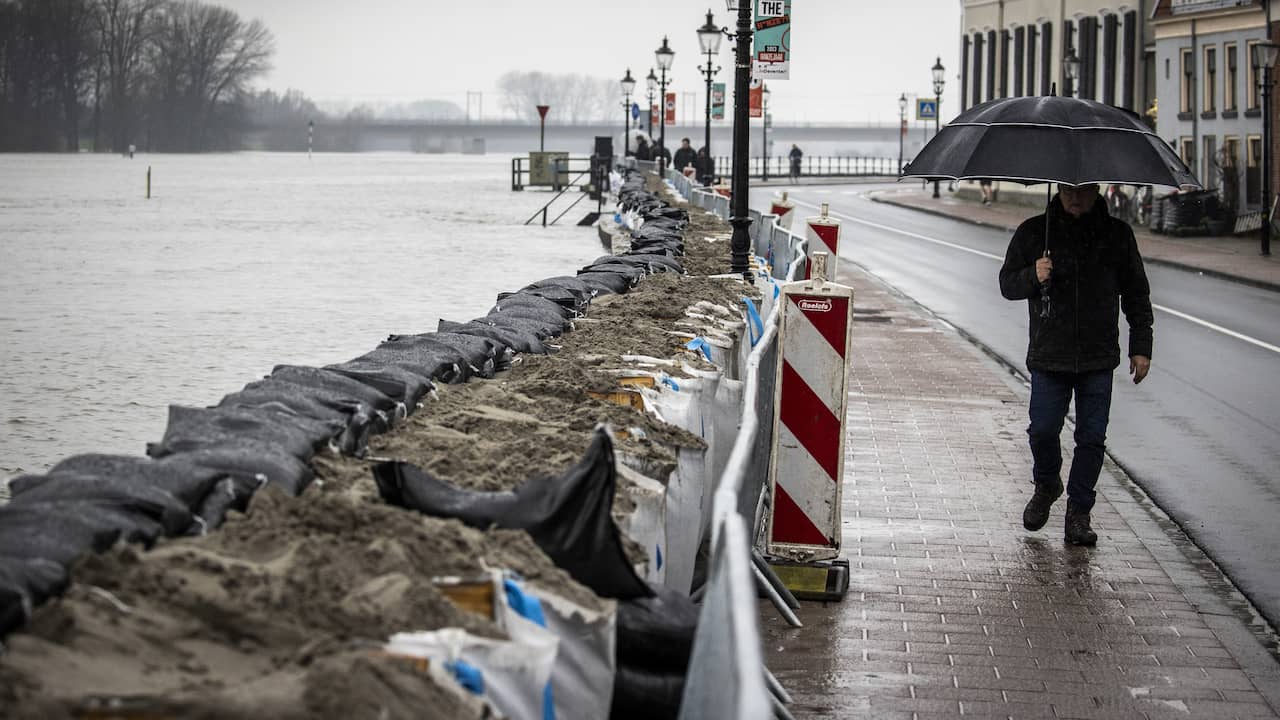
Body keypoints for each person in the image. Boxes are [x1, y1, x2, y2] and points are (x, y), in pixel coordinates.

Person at [998, 182, 1153, 547]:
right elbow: (1006, 284)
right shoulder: (1035, 232)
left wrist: (1141, 345)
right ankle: (1047, 483)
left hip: (1098, 356)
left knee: (1091, 438)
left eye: (1082, 191)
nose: (1075, 197)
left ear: (1096, 190)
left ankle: (1079, 513)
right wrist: (1032, 276)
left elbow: (1136, 292)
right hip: (1049, 353)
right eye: (1068, 190)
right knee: (1042, 429)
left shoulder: (1116, 235)